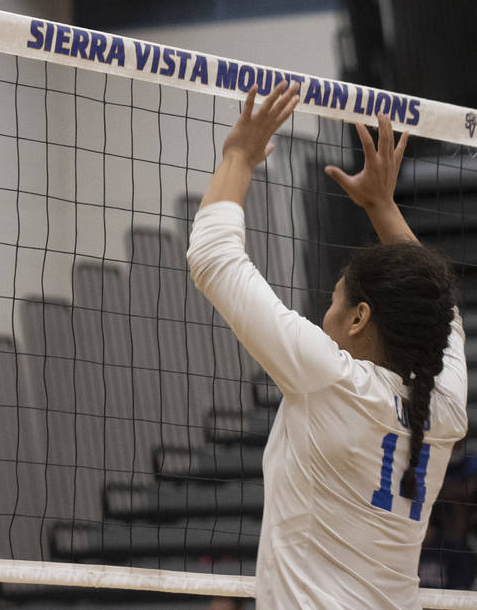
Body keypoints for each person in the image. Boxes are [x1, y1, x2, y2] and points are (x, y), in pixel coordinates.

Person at [186, 81, 467, 609]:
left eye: (334, 301)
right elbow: (442, 313)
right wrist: (383, 206)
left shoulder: (332, 379)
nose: (325, 315)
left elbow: (213, 257)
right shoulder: (445, 404)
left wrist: (238, 156)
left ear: (360, 317)